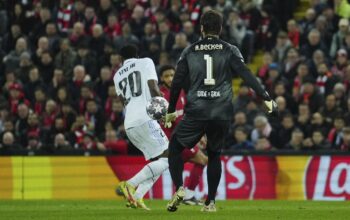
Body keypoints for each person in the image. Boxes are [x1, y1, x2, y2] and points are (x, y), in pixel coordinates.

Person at [164, 10, 277, 212]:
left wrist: (171, 109)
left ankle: (180, 188)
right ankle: (211, 203)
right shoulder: (230, 49)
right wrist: (265, 96)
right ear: (221, 28)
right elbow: (246, 74)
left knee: (174, 148)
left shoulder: (189, 51)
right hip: (221, 112)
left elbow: (177, 81)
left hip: (196, 111)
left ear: (201, 28)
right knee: (214, 154)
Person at [114, 44, 168, 210]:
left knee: (158, 161)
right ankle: (130, 184)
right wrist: (165, 110)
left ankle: (136, 197)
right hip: (145, 118)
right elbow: (153, 87)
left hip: (130, 123)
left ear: (121, 59)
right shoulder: (145, 62)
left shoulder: (117, 76)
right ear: (137, 55)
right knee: (170, 157)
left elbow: (123, 103)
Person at [159, 65, 208, 205]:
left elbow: (185, 115)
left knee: (178, 166)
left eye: (172, 75)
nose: (170, 78)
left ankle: (183, 195)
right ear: (162, 78)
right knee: (203, 160)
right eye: (166, 76)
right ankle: (188, 195)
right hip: (173, 138)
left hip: (182, 136)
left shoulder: (180, 91)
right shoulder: (160, 96)